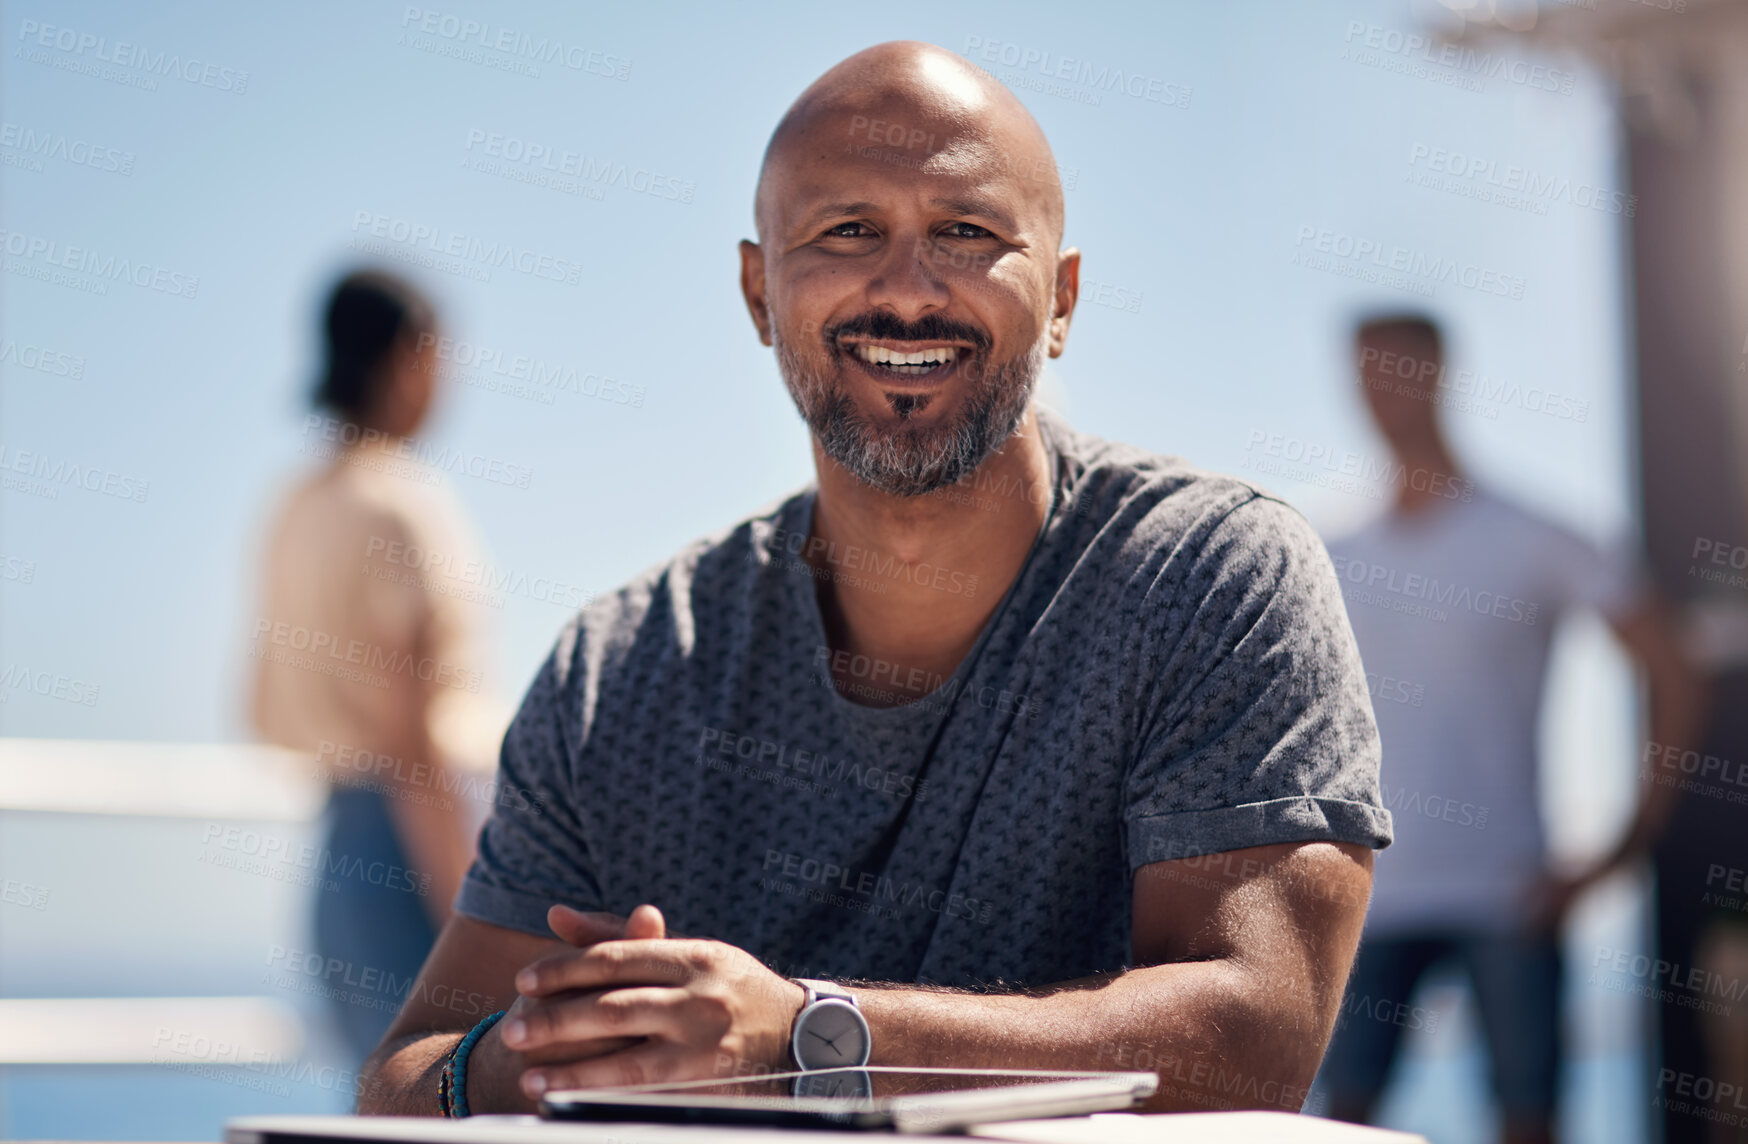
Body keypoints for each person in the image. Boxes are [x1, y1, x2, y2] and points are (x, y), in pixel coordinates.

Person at [360, 41, 1393, 1117]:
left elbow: (1255, 1033)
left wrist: (807, 1037)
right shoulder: (618, 670)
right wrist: (574, 1042)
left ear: (1061, 299)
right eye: (847, 231)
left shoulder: (1209, 580)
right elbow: (402, 1078)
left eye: (967, 233)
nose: (906, 290)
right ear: (760, 291)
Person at [1316, 314, 1703, 1144]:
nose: (1381, 392)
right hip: (1369, 899)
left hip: (1509, 895)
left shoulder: (1533, 534)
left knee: (1528, 1125)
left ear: (1438, 373)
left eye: (1397, 369)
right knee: (1337, 1124)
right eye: (1366, 374)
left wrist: (1622, 848)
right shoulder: (1332, 549)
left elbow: (1672, 668)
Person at [252, 270, 506, 1061]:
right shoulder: (401, 503)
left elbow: (262, 701)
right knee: (448, 1098)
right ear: (409, 357)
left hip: (337, 849)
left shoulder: (299, 501)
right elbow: (413, 734)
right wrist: (476, 908)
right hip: (415, 841)